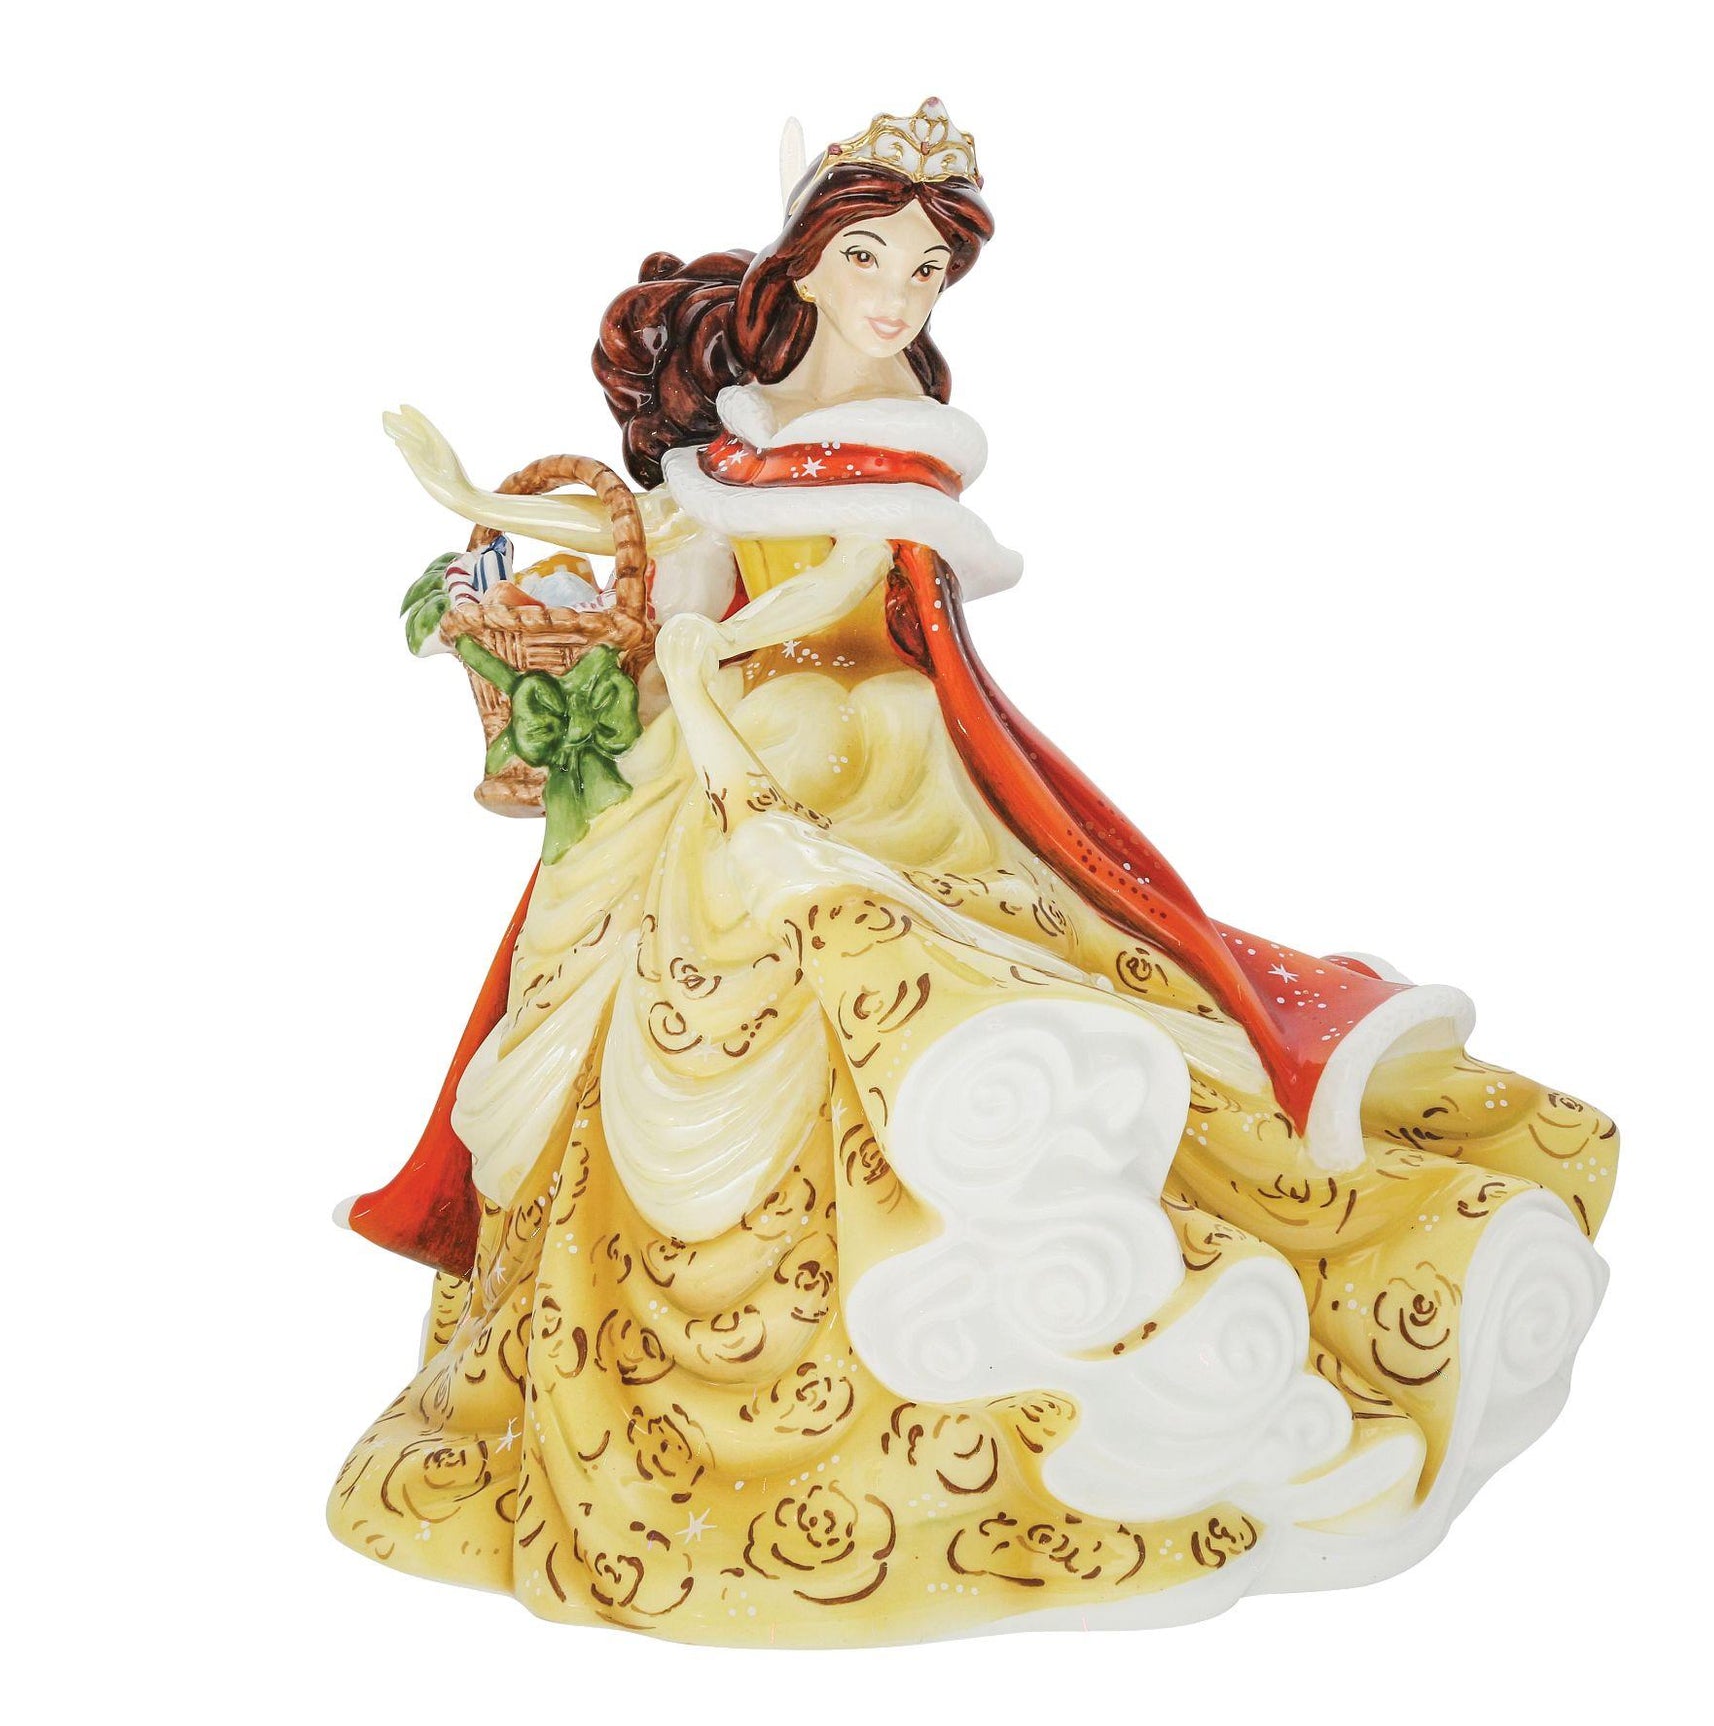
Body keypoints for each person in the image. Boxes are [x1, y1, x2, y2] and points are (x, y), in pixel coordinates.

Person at [330, 100, 1617, 1644]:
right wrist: (643, 628)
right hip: (720, 750)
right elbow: (693, 555)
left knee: (884, 979)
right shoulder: (743, 418)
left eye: (927, 270)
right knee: (610, 990)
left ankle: (1042, 1329)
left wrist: (719, 657)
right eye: (871, 259)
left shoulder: (906, 443)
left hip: (861, 758)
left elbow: (852, 595)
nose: (897, 295)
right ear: (808, 264)